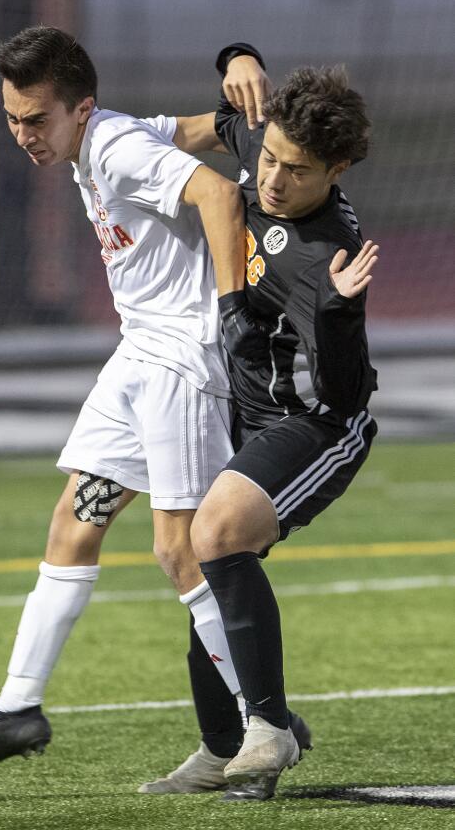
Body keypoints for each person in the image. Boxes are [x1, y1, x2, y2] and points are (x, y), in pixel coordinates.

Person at [0, 27, 309, 788]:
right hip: (137, 360)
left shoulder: (114, 149)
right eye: (11, 118)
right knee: (74, 522)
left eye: (36, 119)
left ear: (81, 110)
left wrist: (232, 307)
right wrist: (234, 83)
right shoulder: (107, 135)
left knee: (181, 552)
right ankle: (16, 711)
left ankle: (264, 724)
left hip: (180, 364)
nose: (22, 135)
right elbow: (200, 132)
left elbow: (213, 192)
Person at [143, 42, 378, 802]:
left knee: (214, 536)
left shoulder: (324, 255)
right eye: (270, 159)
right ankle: (220, 749)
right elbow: (236, 116)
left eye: (297, 170)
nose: (272, 181)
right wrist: (237, 54)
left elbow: (343, 396)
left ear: (335, 171)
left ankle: (269, 728)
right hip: (246, 419)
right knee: (191, 557)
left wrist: (341, 314)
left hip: (314, 426)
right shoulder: (261, 148)